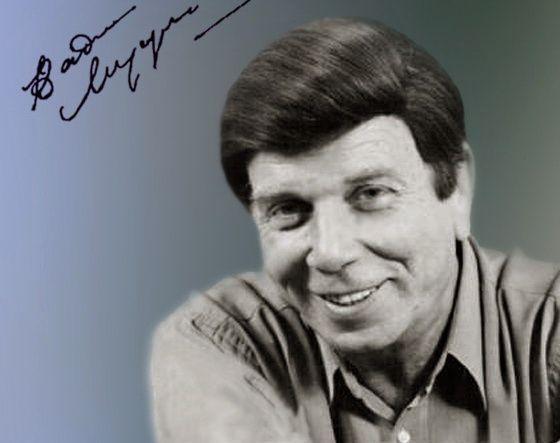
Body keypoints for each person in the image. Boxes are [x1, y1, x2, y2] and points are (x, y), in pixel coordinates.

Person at [150, 18, 560, 443]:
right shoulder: (220, 343)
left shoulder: (550, 336)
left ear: (457, 188)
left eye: (371, 194)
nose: (331, 252)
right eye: (289, 209)